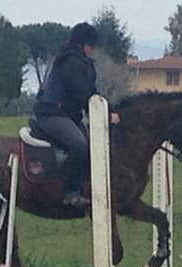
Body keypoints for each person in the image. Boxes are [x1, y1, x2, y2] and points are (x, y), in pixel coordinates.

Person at [33, 22, 119, 208]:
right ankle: (70, 192)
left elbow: (92, 93)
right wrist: (106, 114)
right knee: (80, 146)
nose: (93, 50)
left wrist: (109, 109)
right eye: (91, 46)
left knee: (91, 146)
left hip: (67, 115)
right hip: (52, 114)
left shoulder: (80, 63)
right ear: (82, 44)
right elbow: (82, 94)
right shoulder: (71, 62)